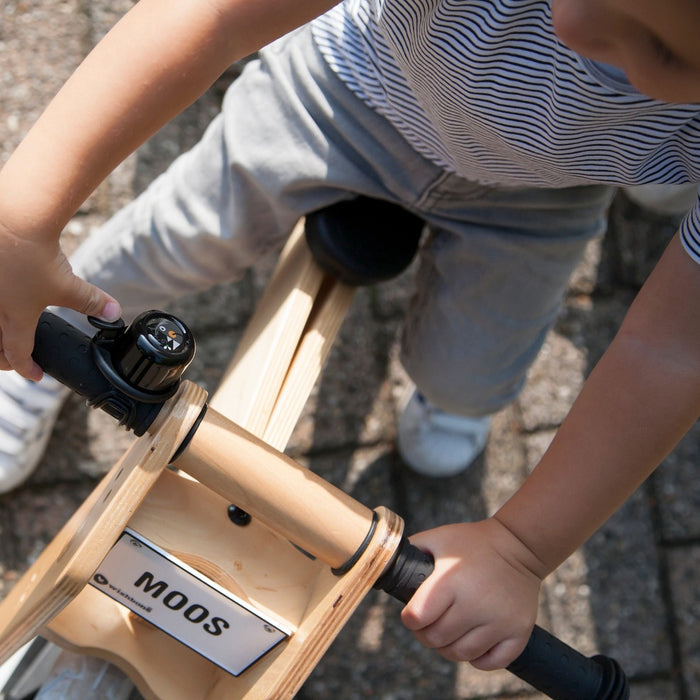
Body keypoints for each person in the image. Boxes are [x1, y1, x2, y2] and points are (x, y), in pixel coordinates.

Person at [0, 0, 698, 672]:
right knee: (183, 235)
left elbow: (673, 346)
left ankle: (455, 399)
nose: (582, 29)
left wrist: (521, 545)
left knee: (469, 377)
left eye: (668, 51)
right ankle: (50, 331)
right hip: (349, 87)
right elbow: (211, 13)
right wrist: (20, 222)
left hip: (543, 195)